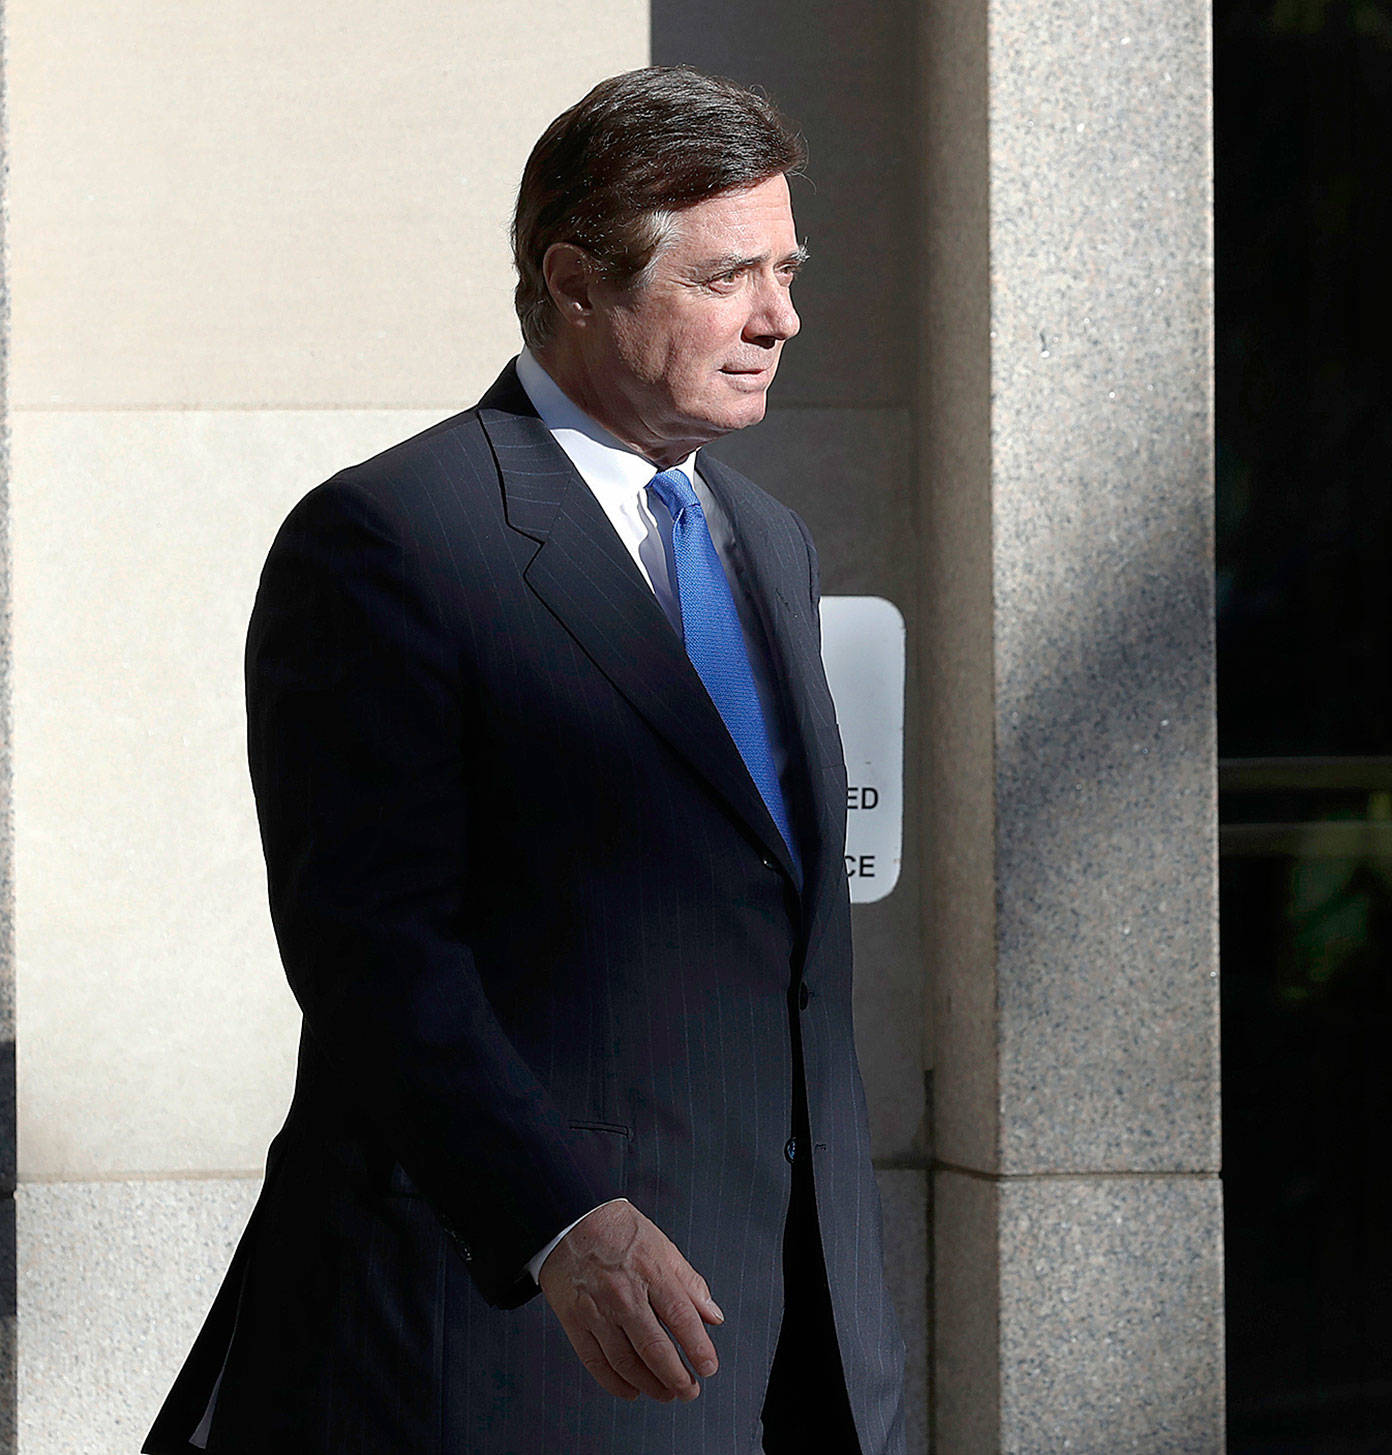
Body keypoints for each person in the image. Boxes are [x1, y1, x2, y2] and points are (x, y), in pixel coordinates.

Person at [143, 65, 907, 1455]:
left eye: (789, 270)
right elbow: (372, 947)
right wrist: (561, 1220)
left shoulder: (770, 543)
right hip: (526, 1345)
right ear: (574, 281)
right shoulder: (392, 540)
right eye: (732, 275)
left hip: (794, 1341)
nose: (781, 318)